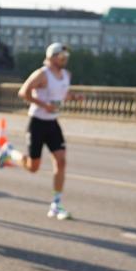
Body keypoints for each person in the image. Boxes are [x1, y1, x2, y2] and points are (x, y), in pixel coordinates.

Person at [15, 42, 82, 220]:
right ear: (52, 57)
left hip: (53, 123)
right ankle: (9, 154)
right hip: (37, 123)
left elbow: (63, 94)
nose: (64, 60)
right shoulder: (41, 74)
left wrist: (74, 97)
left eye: (66, 57)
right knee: (33, 167)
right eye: (61, 57)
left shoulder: (66, 75)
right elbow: (23, 92)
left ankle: (56, 204)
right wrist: (44, 105)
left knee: (61, 161)